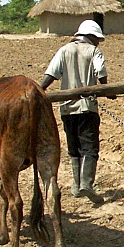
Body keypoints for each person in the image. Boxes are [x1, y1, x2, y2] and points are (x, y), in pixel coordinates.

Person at [41, 19, 108, 202]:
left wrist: (40, 92)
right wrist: (106, 89)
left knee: (74, 147)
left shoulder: (64, 50)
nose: (97, 42)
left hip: (66, 108)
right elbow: (100, 72)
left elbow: (51, 74)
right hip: (87, 108)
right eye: (97, 39)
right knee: (90, 147)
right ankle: (87, 184)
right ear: (92, 37)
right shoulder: (94, 51)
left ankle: (77, 186)